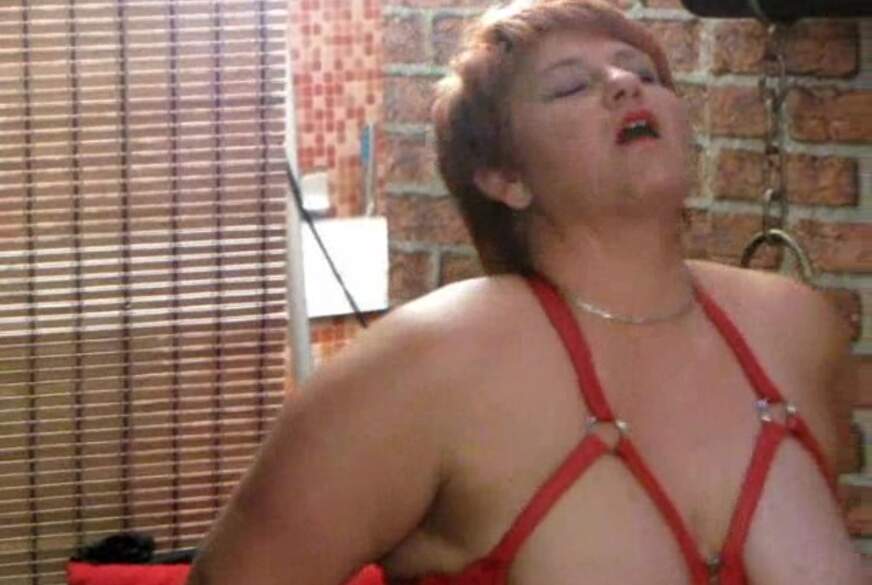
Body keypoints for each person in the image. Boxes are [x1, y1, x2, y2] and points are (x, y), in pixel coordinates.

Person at [186, 1, 865, 583]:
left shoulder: (795, 327)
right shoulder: (425, 364)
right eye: (570, 87)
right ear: (504, 178)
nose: (625, 83)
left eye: (645, 72)